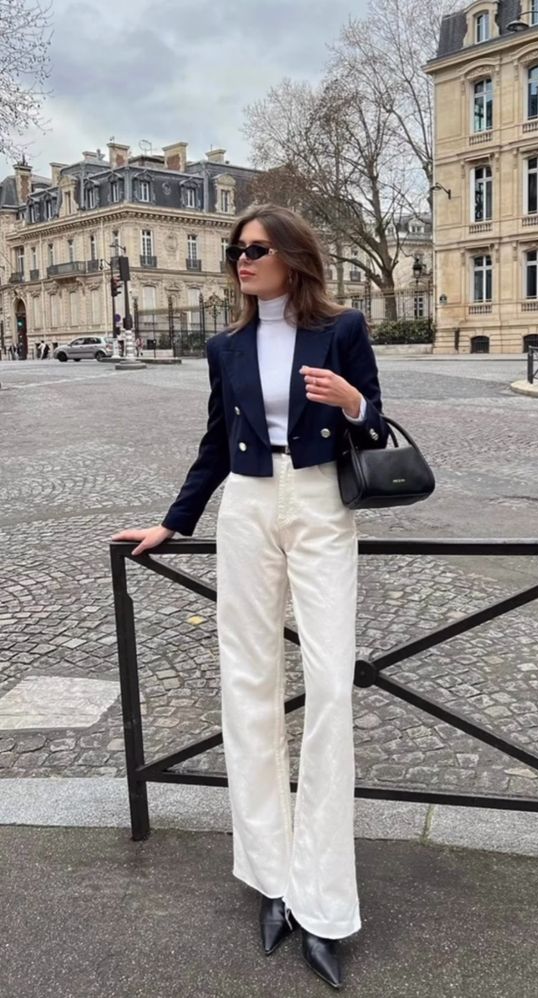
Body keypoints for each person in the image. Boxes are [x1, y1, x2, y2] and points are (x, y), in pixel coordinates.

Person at [112, 204, 388, 990]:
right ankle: (271, 878)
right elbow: (212, 441)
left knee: (330, 687)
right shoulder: (224, 345)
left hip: (321, 509)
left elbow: (376, 428)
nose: (240, 259)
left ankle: (324, 902)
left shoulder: (344, 329)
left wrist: (353, 405)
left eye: (255, 249)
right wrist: (174, 521)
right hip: (246, 507)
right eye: (236, 250)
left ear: (293, 257)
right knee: (249, 686)